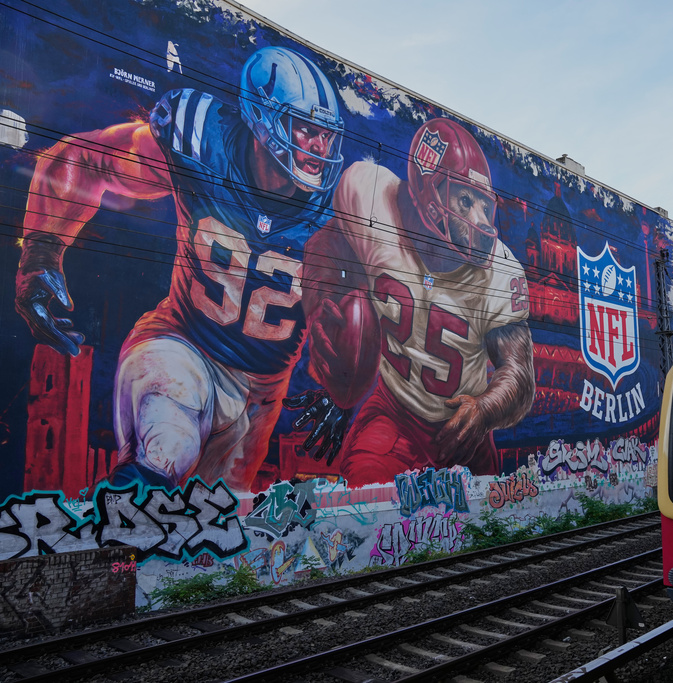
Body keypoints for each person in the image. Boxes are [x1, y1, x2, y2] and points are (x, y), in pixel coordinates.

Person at [14, 46, 347, 491]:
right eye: (305, 129)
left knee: (218, 519)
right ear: (263, 120)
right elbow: (88, 159)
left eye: (325, 134)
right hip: (181, 341)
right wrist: (40, 255)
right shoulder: (202, 140)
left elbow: (376, 306)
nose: (318, 147)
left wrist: (347, 386)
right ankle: (121, 524)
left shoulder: (344, 209)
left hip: (261, 396)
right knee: (167, 446)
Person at [290, 118, 535, 486]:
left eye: (485, 207)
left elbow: (518, 373)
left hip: (464, 426)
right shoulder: (373, 200)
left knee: (483, 517)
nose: (481, 222)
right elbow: (326, 247)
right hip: (395, 412)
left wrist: (484, 409)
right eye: (465, 201)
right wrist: (327, 307)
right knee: (367, 498)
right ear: (428, 191)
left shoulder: (500, 271)